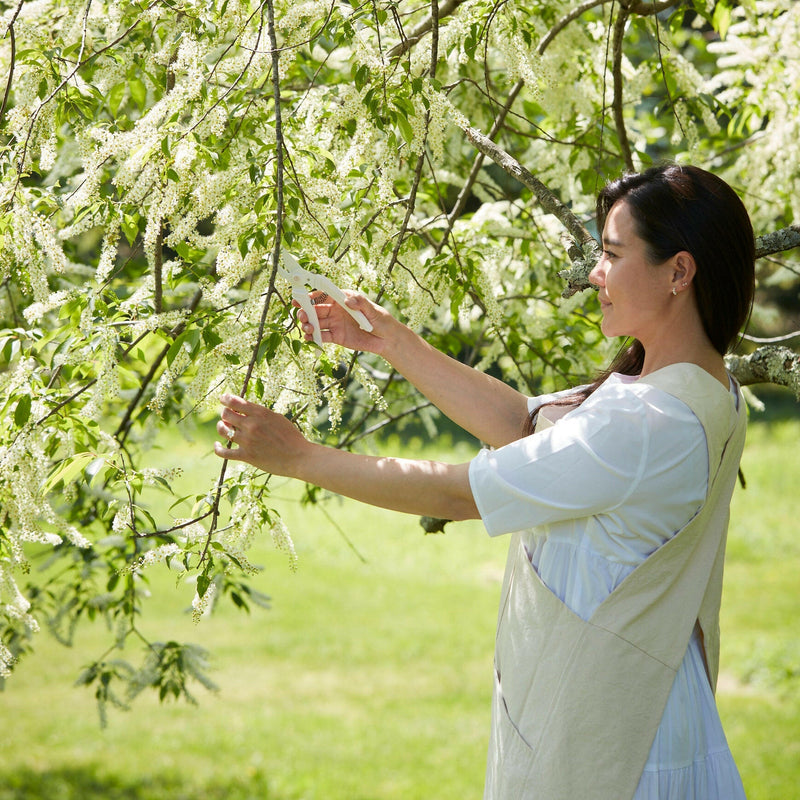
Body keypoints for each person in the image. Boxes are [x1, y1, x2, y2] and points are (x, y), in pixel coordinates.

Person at [214, 164, 755, 800]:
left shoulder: (646, 420)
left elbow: (459, 493)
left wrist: (300, 458)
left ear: (679, 271)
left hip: (615, 740)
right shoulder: (705, 390)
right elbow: (523, 424)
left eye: (612, 254)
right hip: (645, 702)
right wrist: (390, 341)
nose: (594, 274)